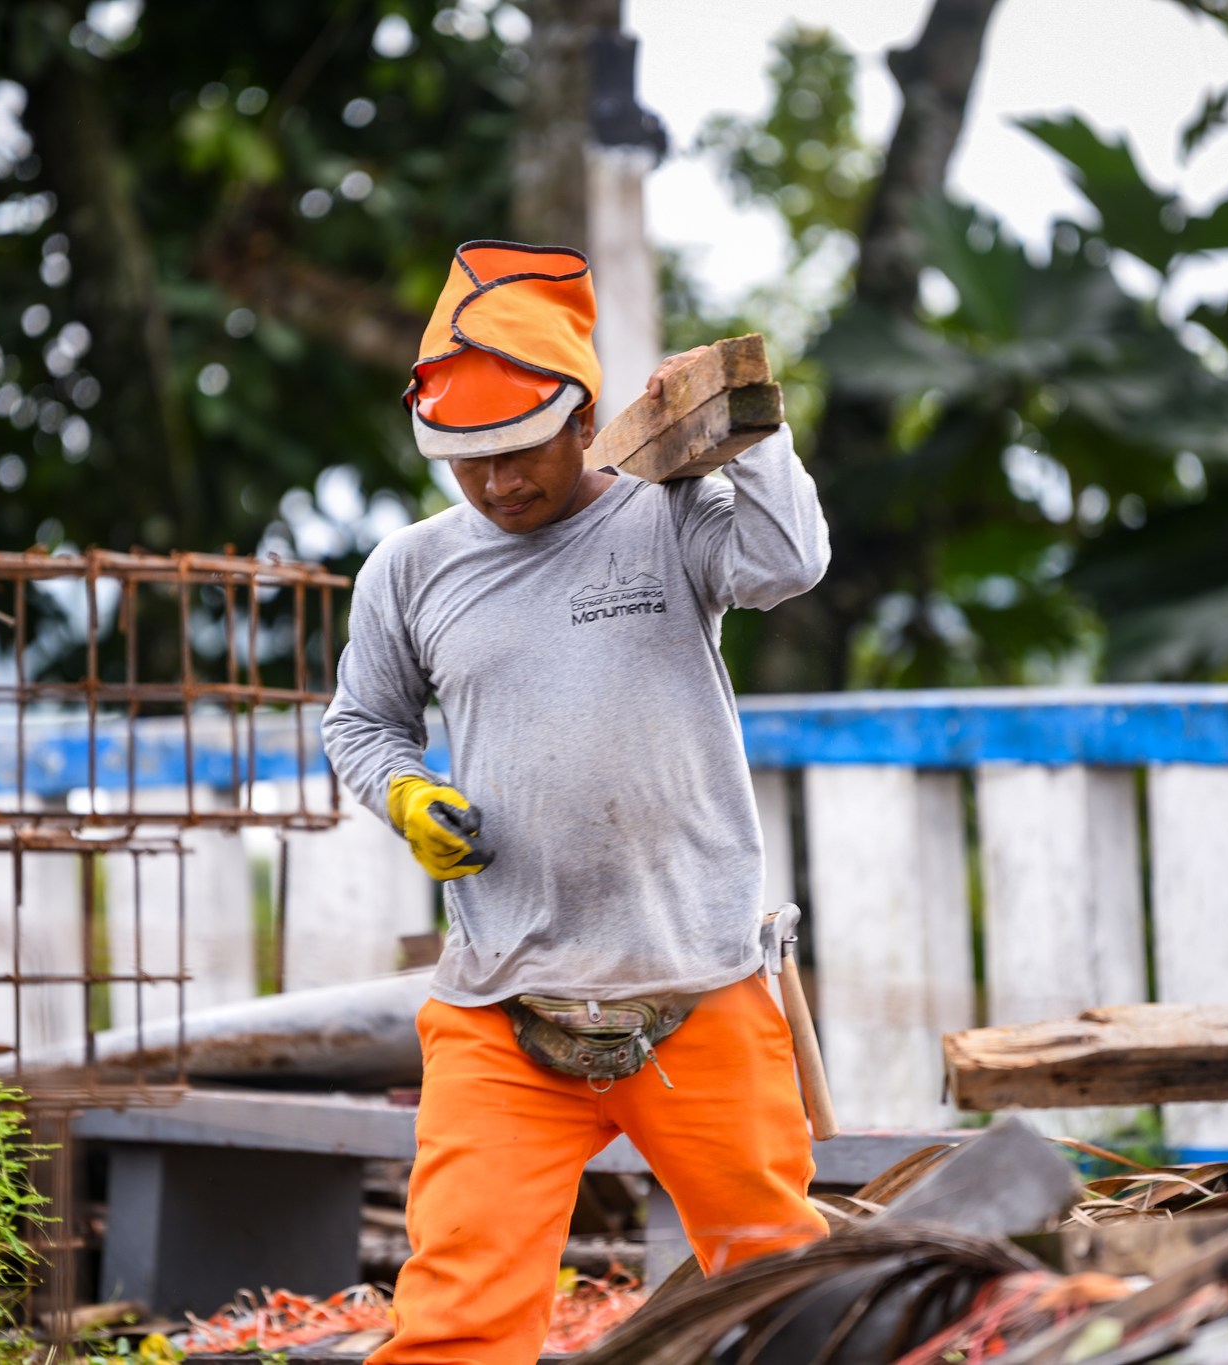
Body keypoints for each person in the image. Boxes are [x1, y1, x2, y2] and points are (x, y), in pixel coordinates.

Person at [322, 240, 832, 1365]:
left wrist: (750, 427)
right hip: (503, 1014)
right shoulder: (408, 573)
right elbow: (359, 725)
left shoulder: (667, 515)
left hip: (694, 994)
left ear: (581, 415)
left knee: (779, 1300)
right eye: (468, 462)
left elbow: (787, 560)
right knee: (454, 1326)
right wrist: (404, 794)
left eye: (517, 452)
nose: (498, 483)